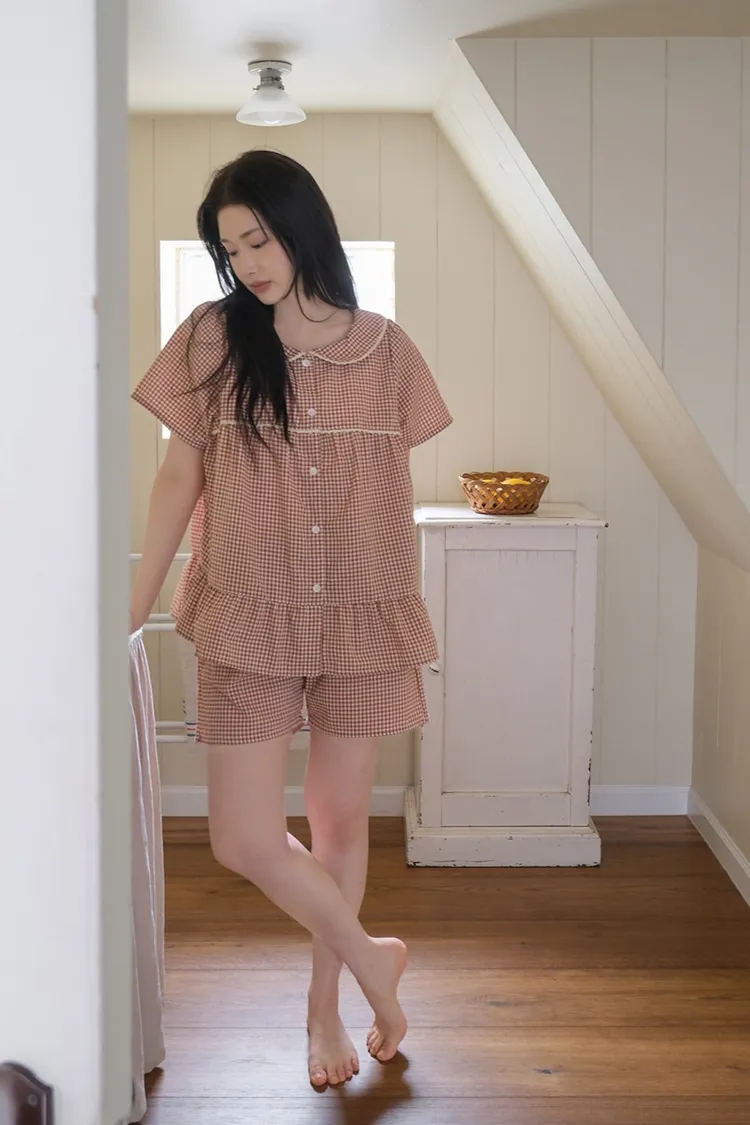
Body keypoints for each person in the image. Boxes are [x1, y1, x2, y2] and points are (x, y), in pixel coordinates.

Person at [130, 149, 452, 1087]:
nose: (247, 263)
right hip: (247, 610)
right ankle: (374, 961)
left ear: (302, 226)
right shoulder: (211, 338)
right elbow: (177, 478)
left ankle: (325, 1010)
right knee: (242, 837)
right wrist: (133, 607)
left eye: (258, 239)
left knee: (340, 823)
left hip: (362, 611)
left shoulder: (387, 350)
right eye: (231, 249)